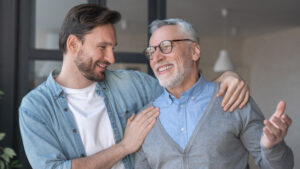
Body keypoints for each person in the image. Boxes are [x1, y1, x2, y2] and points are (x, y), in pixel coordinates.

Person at [19, 4, 250, 169]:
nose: (111, 58)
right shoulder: (35, 108)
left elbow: (185, 94)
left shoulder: (133, 84)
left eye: (113, 47)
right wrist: (124, 147)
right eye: (102, 47)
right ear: (73, 44)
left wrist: (225, 78)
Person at [134, 18, 294, 169]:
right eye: (151, 51)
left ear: (194, 51)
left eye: (166, 46)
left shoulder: (234, 99)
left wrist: (273, 147)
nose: (157, 57)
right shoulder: (145, 118)